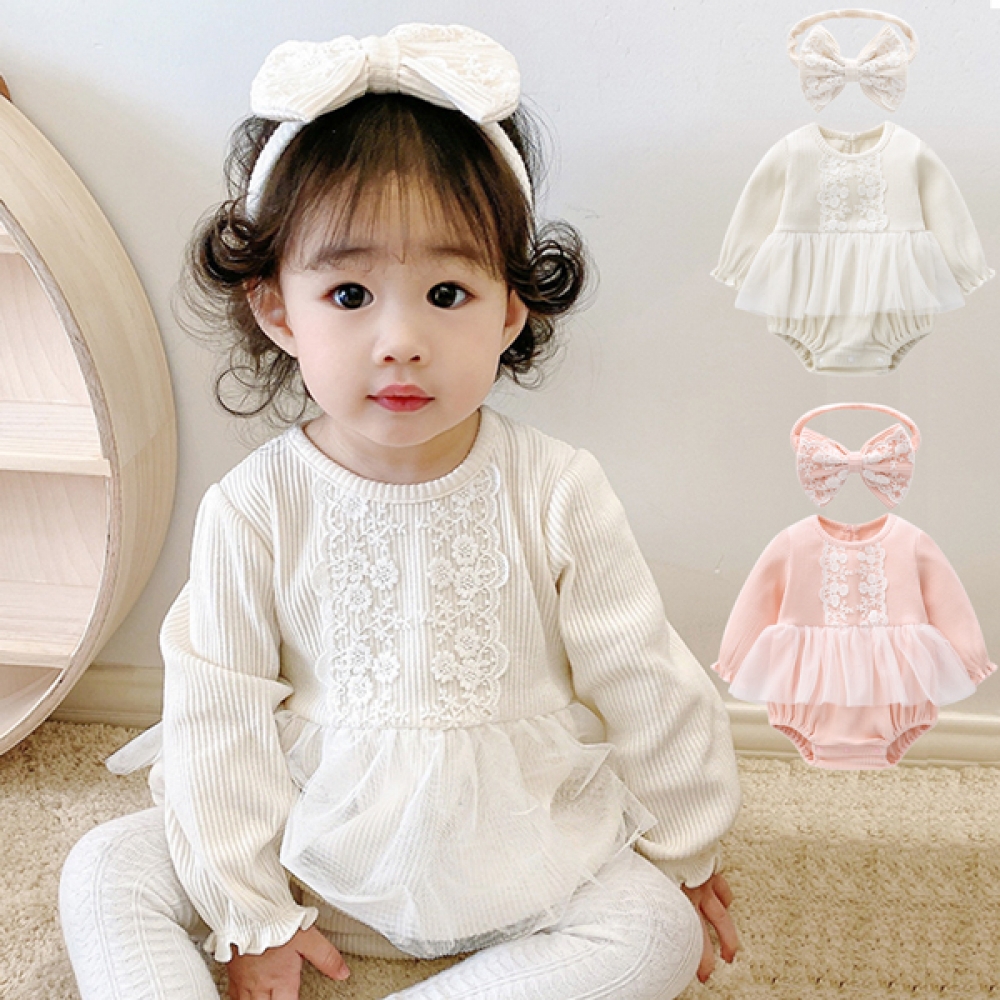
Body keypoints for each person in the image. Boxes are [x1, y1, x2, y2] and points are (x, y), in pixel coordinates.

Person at [60, 24, 742, 1000]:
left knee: (652, 934)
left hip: (515, 848)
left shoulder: (556, 487)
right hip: (304, 844)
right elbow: (217, 714)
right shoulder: (255, 506)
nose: (400, 339)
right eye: (349, 292)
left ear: (509, 310)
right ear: (278, 310)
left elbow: (644, 677)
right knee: (105, 866)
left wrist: (684, 846)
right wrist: (250, 907)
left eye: (446, 291)